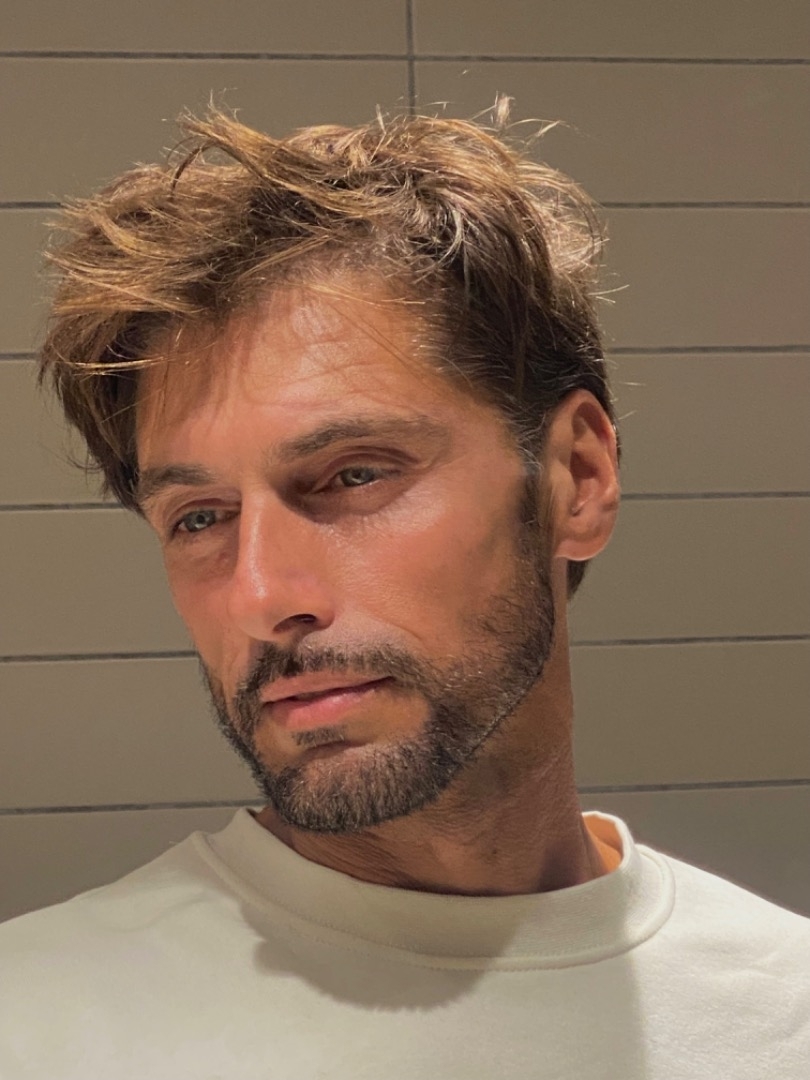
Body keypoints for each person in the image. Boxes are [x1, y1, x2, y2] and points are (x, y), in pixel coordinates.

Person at [1, 104, 807, 1079]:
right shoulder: (36, 1026)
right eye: (201, 518)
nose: (261, 596)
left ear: (577, 479)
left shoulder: (782, 1009)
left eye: (353, 475)